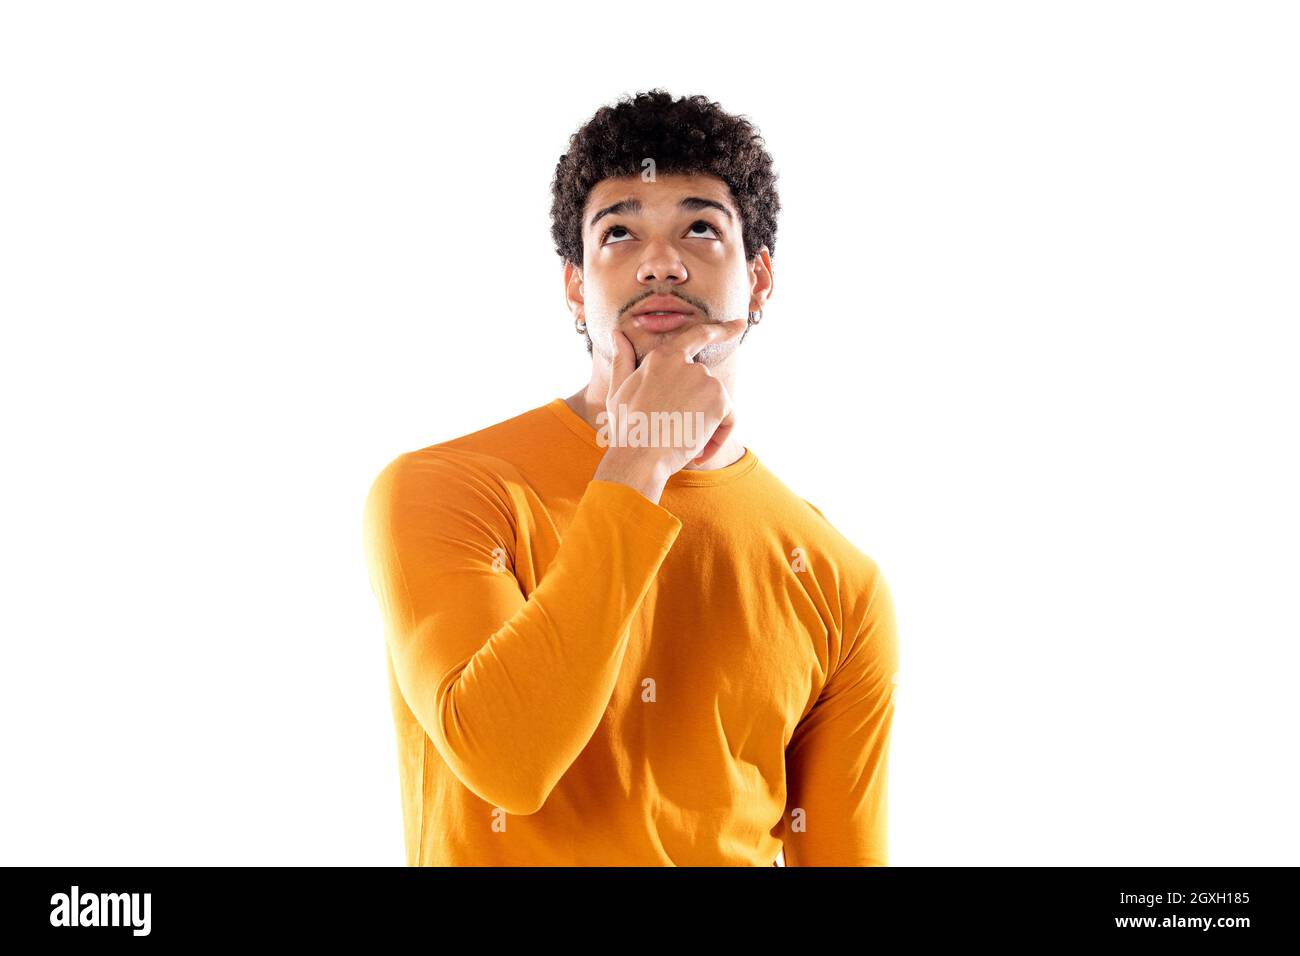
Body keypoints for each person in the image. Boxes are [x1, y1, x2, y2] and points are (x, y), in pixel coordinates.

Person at [362, 89, 899, 866]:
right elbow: (507, 762)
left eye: (701, 228)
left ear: (761, 277)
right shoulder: (445, 491)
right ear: (577, 285)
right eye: (618, 232)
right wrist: (640, 456)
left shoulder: (841, 582)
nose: (660, 262)